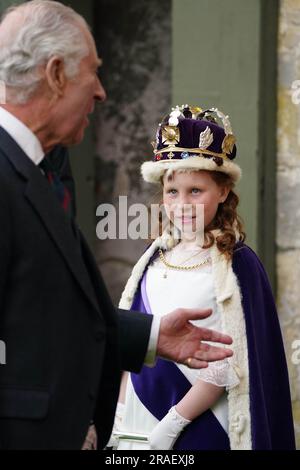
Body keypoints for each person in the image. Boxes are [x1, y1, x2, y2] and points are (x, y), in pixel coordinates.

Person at [0, 2, 233, 450]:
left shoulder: (42, 168)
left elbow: (46, 307)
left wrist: (149, 335)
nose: (102, 91)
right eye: (93, 71)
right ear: (55, 74)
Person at [111, 105, 296, 450]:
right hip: (138, 428)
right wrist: (119, 415)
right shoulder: (152, 258)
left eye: (196, 191)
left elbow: (232, 360)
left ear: (223, 191)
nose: (182, 203)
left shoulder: (236, 265)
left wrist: (173, 422)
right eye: (172, 192)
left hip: (201, 426)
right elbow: (134, 345)